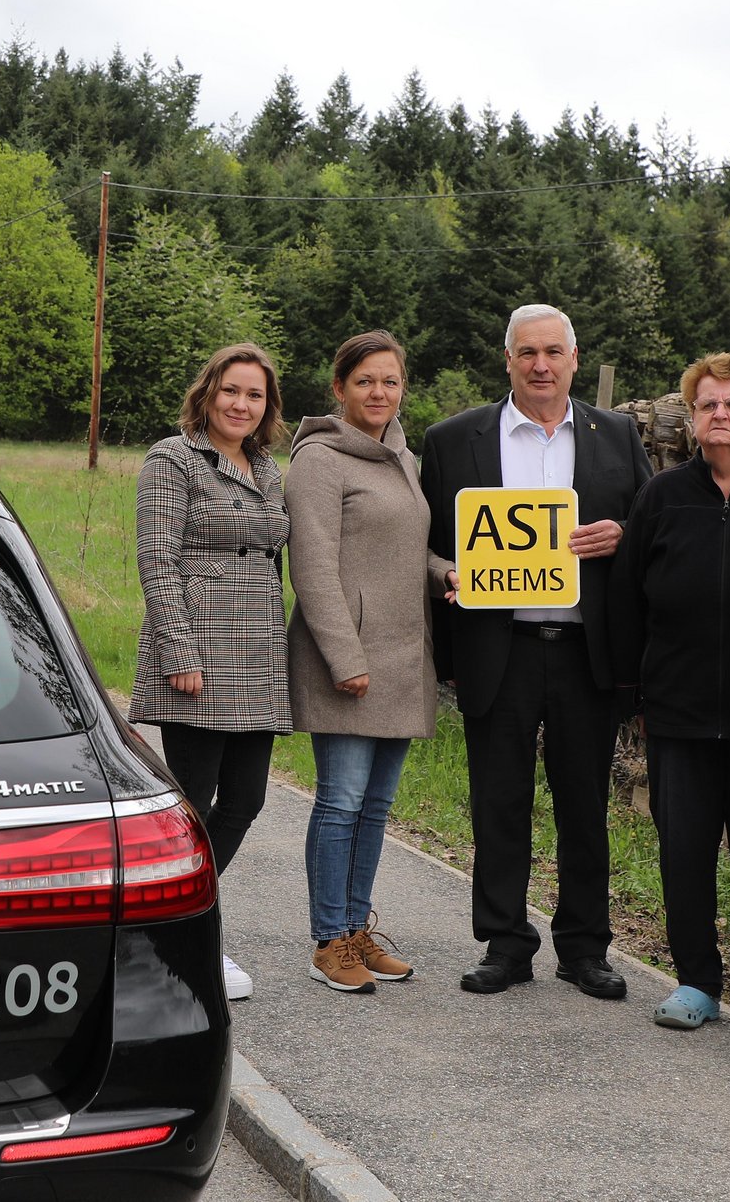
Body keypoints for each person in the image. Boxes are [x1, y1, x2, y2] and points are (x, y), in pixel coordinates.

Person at [421, 304, 652, 1000]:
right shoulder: (456, 438)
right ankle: (505, 943)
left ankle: (584, 949)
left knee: (583, 804)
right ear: (508, 360)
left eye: (554, 352)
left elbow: (649, 525)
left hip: (587, 650)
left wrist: (623, 536)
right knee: (499, 801)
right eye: (528, 353)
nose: (541, 365)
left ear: (575, 359)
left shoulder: (616, 433)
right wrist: (447, 601)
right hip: (501, 645)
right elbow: (427, 545)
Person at [610, 352, 730, 1041]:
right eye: (708, 404)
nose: (720, 415)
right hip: (678, 712)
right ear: (692, 416)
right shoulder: (661, 496)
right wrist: (635, 694)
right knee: (683, 851)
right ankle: (694, 982)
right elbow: (627, 597)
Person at [284, 331, 459, 993]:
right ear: (339, 389)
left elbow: (407, 552)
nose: (379, 393)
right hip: (351, 662)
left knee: (374, 807)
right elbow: (314, 569)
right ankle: (329, 940)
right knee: (340, 803)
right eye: (365, 382)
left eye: (389, 381)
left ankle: (358, 929)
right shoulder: (320, 461)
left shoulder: (399, 457)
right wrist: (343, 657)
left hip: (403, 656)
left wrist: (446, 574)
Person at [132, 342, 292, 1003]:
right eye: (232, 390)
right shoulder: (173, 459)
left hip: (256, 658)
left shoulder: (266, 467)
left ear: (266, 407)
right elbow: (157, 560)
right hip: (197, 657)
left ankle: (181, 922)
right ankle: (179, 938)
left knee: (247, 799)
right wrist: (180, 655)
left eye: (254, 395)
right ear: (209, 392)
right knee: (192, 809)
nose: (241, 404)